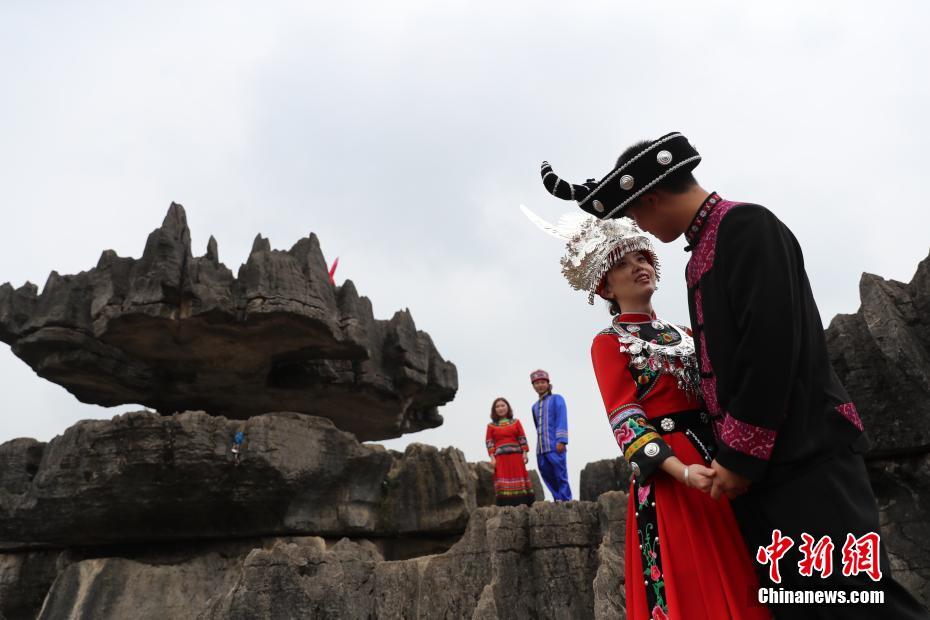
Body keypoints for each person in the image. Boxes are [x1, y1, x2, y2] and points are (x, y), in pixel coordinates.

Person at [539, 132, 928, 618]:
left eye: (635, 216)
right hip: (740, 471)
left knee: (855, 599)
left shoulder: (745, 227)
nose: (638, 236)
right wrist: (718, 465)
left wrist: (738, 458)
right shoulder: (700, 252)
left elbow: (769, 348)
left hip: (801, 456)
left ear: (653, 198)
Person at [524, 205, 769, 619]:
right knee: (693, 585)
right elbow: (626, 419)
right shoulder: (608, 342)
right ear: (604, 287)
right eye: (622, 263)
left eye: (642, 257)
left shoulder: (688, 332)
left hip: (722, 463)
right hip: (673, 477)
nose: (639, 267)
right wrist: (684, 473)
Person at [529, 369, 572, 501]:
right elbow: (537, 427)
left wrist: (561, 440)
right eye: (536, 383)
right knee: (546, 475)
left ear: (548, 383)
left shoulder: (557, 399)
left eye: (542, 382)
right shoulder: (534, 406)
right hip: (541, 448)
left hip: (555, 445)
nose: (540, 385)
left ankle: (566, 501)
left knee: (560, 474)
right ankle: (557, 499)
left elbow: (561, 419)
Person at [485, 397, 535, 507]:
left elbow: (522, 438)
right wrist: (492, 458)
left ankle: (523, 504)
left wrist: (525, 453)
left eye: (503, 405)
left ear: (508, 407)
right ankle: (505, 506)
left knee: (519, 479)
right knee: (503, 481)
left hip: (517, 457)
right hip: (501, 459)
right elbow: (489, 443)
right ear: (494, 410)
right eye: (497, 406)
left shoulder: (516, 422)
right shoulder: (490, 426)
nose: (500, 408)